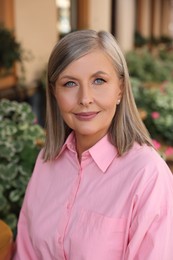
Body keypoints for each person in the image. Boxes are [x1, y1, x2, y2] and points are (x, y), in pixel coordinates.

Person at [13, 30, 173, 260]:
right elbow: (25, 253)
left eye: (99, 80)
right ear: (54, 93)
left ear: (120, 88)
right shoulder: (47, 160)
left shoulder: (148, 175)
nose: (85, 98)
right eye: (69, 83)